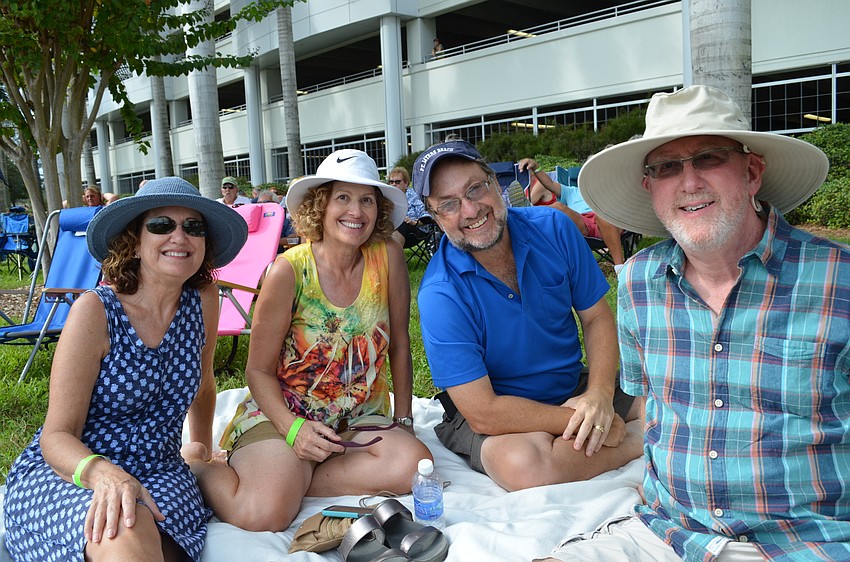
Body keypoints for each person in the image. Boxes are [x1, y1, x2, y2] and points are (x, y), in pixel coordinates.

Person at [540, 84, 850, 561]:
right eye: (667, 167)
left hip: (804, 543)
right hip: (669, 534)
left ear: (751, 172)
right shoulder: (639, 282)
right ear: (651, 187)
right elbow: (650, 408)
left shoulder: (838, 282)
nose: (688, 183)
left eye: (707, 158)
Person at [183, 149, 433, 532]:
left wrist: (403, 420)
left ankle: (294, 479)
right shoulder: (288, 271)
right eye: (343, 198)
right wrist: (292, 429)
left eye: (367, 199)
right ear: (322, 205)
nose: (356, 211)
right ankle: (201, 465)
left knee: (413, 466)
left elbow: (399, 343)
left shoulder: (389, 256)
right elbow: (258, 370)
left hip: (359, 416)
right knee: (263, 514)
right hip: (287, 412)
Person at [3, 177, 248, 561]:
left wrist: (201, 450)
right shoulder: (96, 311)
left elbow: (203, 383)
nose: (179, 237)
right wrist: (105, 474)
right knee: (124, 529)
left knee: (143, 535)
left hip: (160, 470)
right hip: (76, 471)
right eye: (162, 225)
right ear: (134, 240)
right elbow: (57, 436)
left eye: (193, 227)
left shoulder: (202, 299)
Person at [412, 140, 642, 492]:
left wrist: (598, 394)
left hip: (572, 385)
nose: (471, 210)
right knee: (520, 465)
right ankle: (636, 441)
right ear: (435, 217)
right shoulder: (440, 293)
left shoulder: (554, 228)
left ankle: (600, 440)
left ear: (495, 183)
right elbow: (483, 411)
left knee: (671, 401)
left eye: (476, 188)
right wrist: (590, 419)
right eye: (449, 204)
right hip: (500, 413)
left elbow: (596, 317)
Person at [518, 157, 628, 272]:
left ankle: (619, 268)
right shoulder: (572, 191)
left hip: (608, 219)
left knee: (603, 213)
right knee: (557, 207)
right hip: (583, 223)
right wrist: (535, 166)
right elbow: (549, 184)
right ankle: (529, 209)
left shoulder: (610, 190)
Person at [388, 165, 433, 247]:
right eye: (391, 182)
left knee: (401, 223)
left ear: (406, 183)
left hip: (415, 232)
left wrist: (413, 222)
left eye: (397, 182)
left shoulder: (414, 196)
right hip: (390, 230)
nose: (394, 184)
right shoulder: (387, 197)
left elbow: (427, 216)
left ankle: (394, 256)